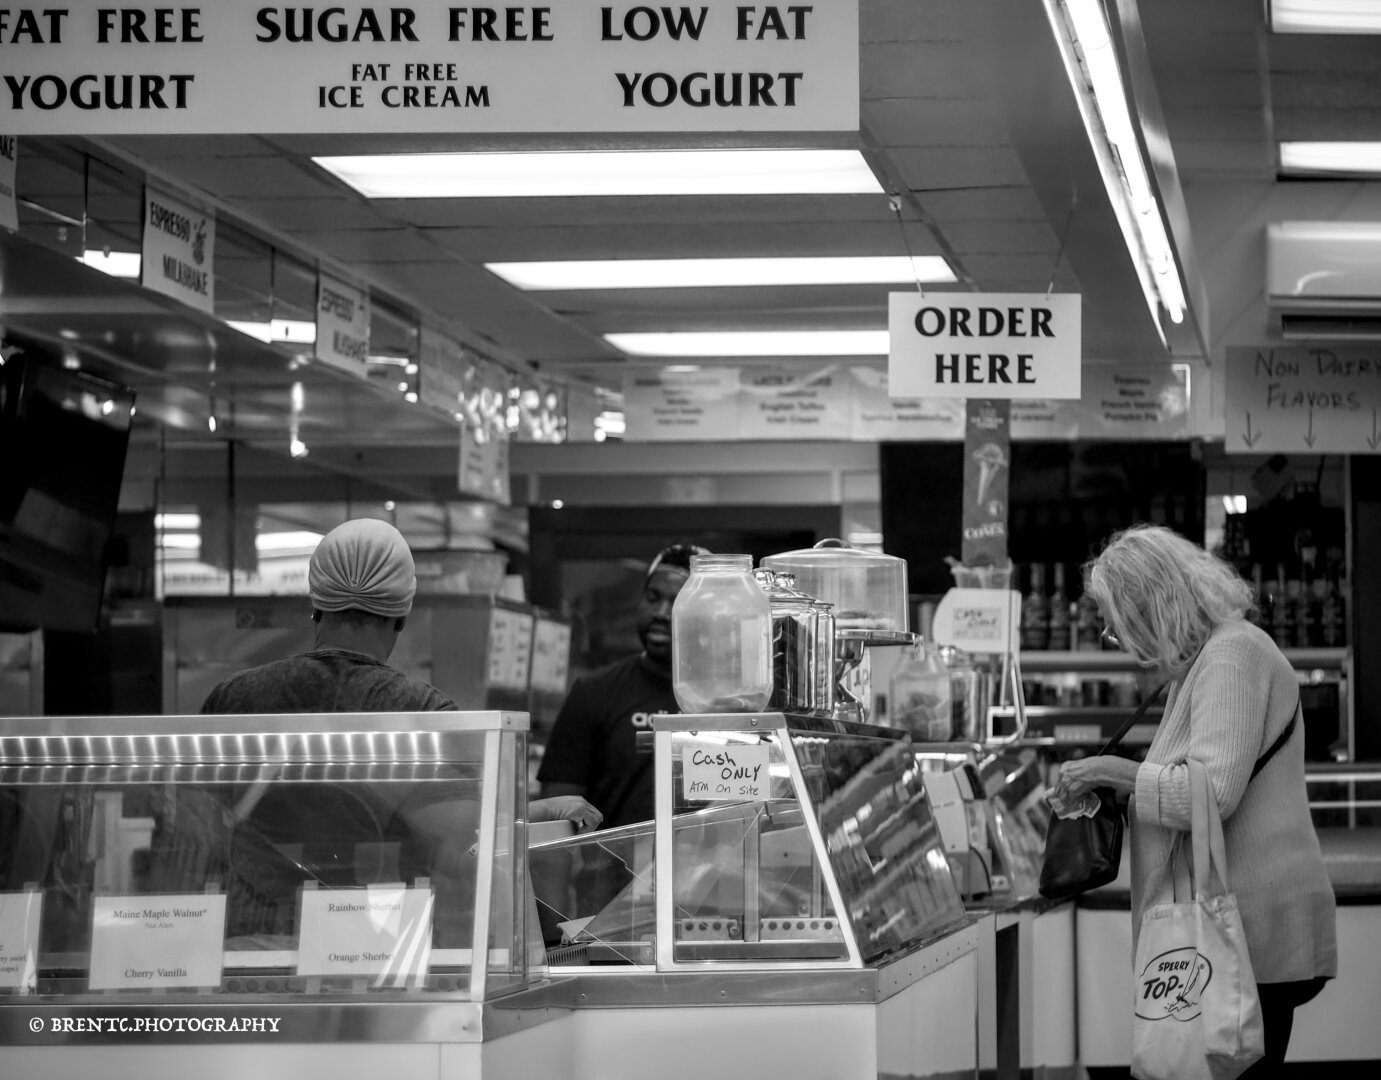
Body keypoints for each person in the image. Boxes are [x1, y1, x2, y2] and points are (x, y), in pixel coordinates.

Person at [1052, 525, 1336, 1076]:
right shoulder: (1202, 663)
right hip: (1233, 929)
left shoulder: (1230, 657)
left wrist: (1113, 770)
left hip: (1248, 933)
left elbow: (1210, 794)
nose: (1115, 635)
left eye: (1115, 621)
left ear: (1147, 604)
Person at [200, 516, 601, 828]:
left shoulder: (233, 698)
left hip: (246, 929)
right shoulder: (424, 713)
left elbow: (193, 829)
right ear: (402, 615)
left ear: (316, 603)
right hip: (376, 924)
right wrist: (545, 811)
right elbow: (464, 839)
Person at [537, 542, 710, 830]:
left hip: (707, 869)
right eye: (653, 597)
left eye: (679, 602)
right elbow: (554, 818)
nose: (662, 612)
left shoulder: (725, 700)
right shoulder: (594, 693)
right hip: (611, 871)